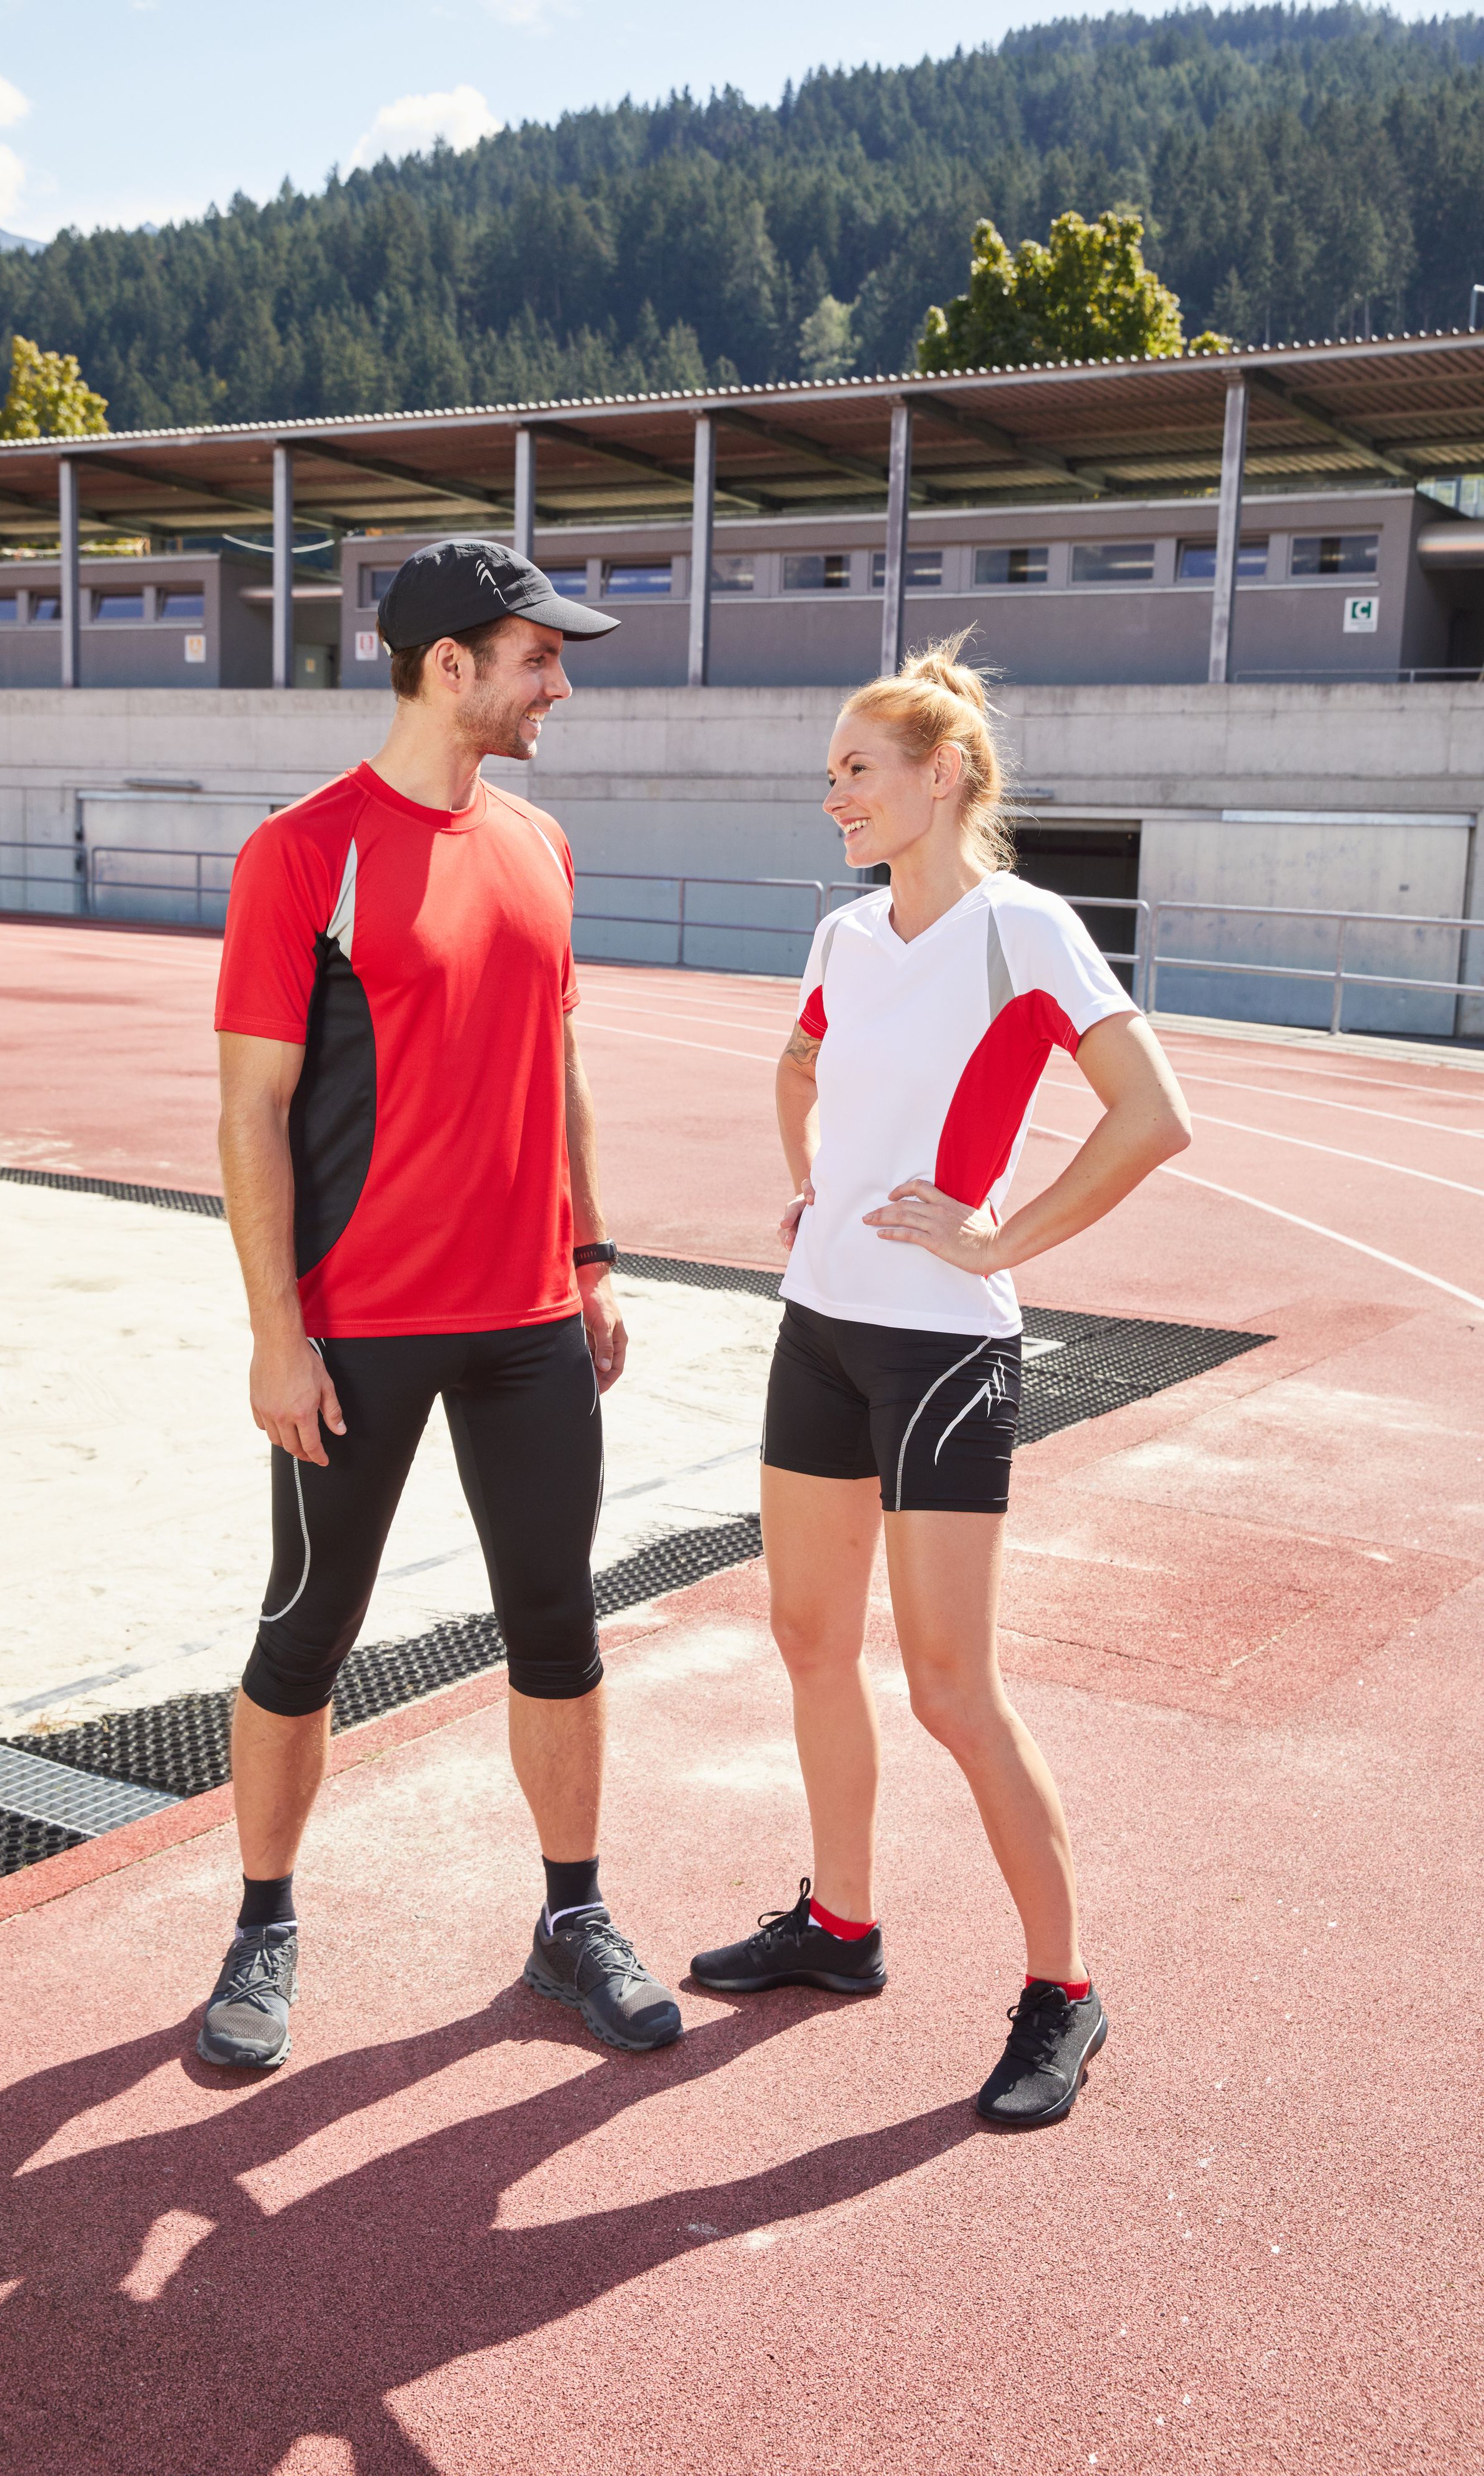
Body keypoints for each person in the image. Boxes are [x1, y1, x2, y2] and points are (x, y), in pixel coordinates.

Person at [691, 637, 1191, 2128]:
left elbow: (1154, 1116)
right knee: (803, 1637)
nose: (835, 797)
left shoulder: (1023, 930)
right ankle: (839, 1927)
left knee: (954, 1690)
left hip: (947, 1348)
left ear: (941, 776)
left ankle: (1065, 1993)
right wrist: (811, 1188)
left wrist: (1001, 1236)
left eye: (858, 770)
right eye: (832, 775)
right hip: (821, 1327)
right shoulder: (847, 938)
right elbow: (800, 1071)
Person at [197, 538, 682, 2070]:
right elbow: (251, 1116)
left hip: (531, 1321)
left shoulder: (538, 844)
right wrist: (277, 1332)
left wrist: (590, 1258)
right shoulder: (302, 853)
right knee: (309, 1635)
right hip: (357, 1334)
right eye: (541, 656)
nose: (561, 684)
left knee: (557, 1625)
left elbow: (565, 1067)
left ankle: (571, 1920)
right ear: (447, 665)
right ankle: (264, 1920)